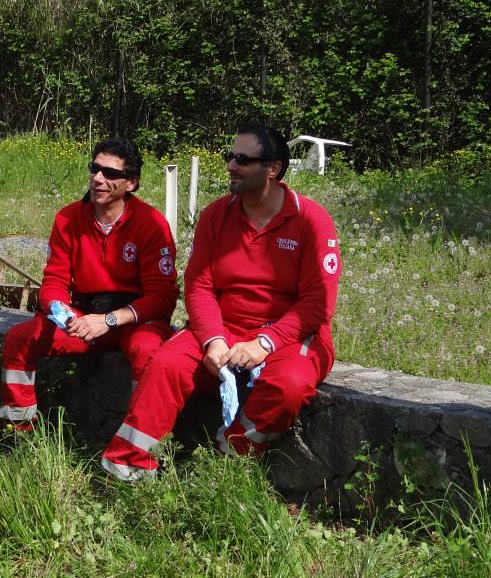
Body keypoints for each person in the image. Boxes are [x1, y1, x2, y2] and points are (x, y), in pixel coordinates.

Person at [101, 123, 342, 479]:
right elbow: (199, 286)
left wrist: (265, 343)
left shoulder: (311, 220)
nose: (230, 165)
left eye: (242, 159)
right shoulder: (216, 215)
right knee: (165, 364)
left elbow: (316, 304)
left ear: (272, 169)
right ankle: (126, 467)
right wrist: (213, 340)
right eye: (231, 156)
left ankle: (229, 460)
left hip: (290, 334)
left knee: (288, 387)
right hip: (224, 327)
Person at [0, 137, 178, 429]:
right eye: (95, 169)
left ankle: (140, 440)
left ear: (131, 183)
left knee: (149, 352)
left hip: (135, 320)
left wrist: (109, 320)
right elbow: (54, 279)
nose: (98, 179)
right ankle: (18, 429)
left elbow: (163, 297)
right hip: (84, 318)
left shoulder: (151, 223)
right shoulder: (68, 218)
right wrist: (59, 310)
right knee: (20, 338)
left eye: (111, 174)